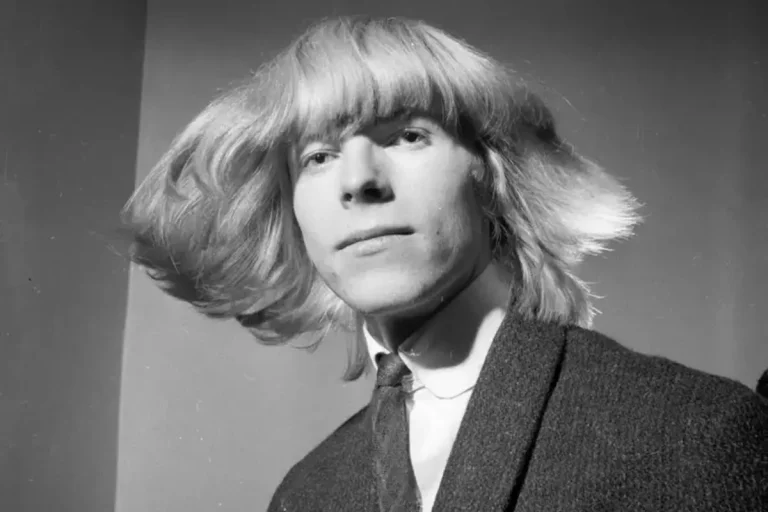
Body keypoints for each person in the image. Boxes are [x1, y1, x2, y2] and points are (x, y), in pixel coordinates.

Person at [121, 16, 768, 512]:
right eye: (317, 156)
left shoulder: (693, 430)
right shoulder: (305, 492)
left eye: (407, 136)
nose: (358, 181)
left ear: (491, 174)